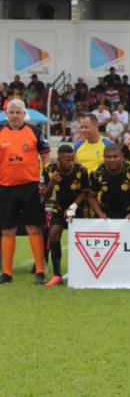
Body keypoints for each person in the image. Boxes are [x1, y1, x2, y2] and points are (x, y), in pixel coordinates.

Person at [0, 99, 51, 285]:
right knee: (7, 229)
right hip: (5, 188)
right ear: (7, 115)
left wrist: (45, 177)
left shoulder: (35, 132)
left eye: (17, 112)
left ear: (23, 114)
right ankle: (6, 272)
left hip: (31, 187)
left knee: (33, 227)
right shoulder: (0, 132)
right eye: (11, 112)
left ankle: (39, 271)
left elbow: (46, 157)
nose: (14, 115)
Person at [40, 144, 88, 287]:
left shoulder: (81, 170)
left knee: (82, 240)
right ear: (59, 159)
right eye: (67, 160)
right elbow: (45, 197)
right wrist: (53, 182)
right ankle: (57, 275)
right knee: (53, 234)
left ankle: (84, 272)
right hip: (59, 208)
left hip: (79, 208)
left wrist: (73, 207)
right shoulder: (49, 170)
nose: (71, 162)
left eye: (72, 159)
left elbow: (85, 191)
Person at [88, 143, 130, 219]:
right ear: (104, 157)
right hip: (106, 213)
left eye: (115, 156)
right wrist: (100, 213)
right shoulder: (96, 173)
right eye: (108, 157)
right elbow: (91, 196)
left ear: (122, 156)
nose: (112, 160)